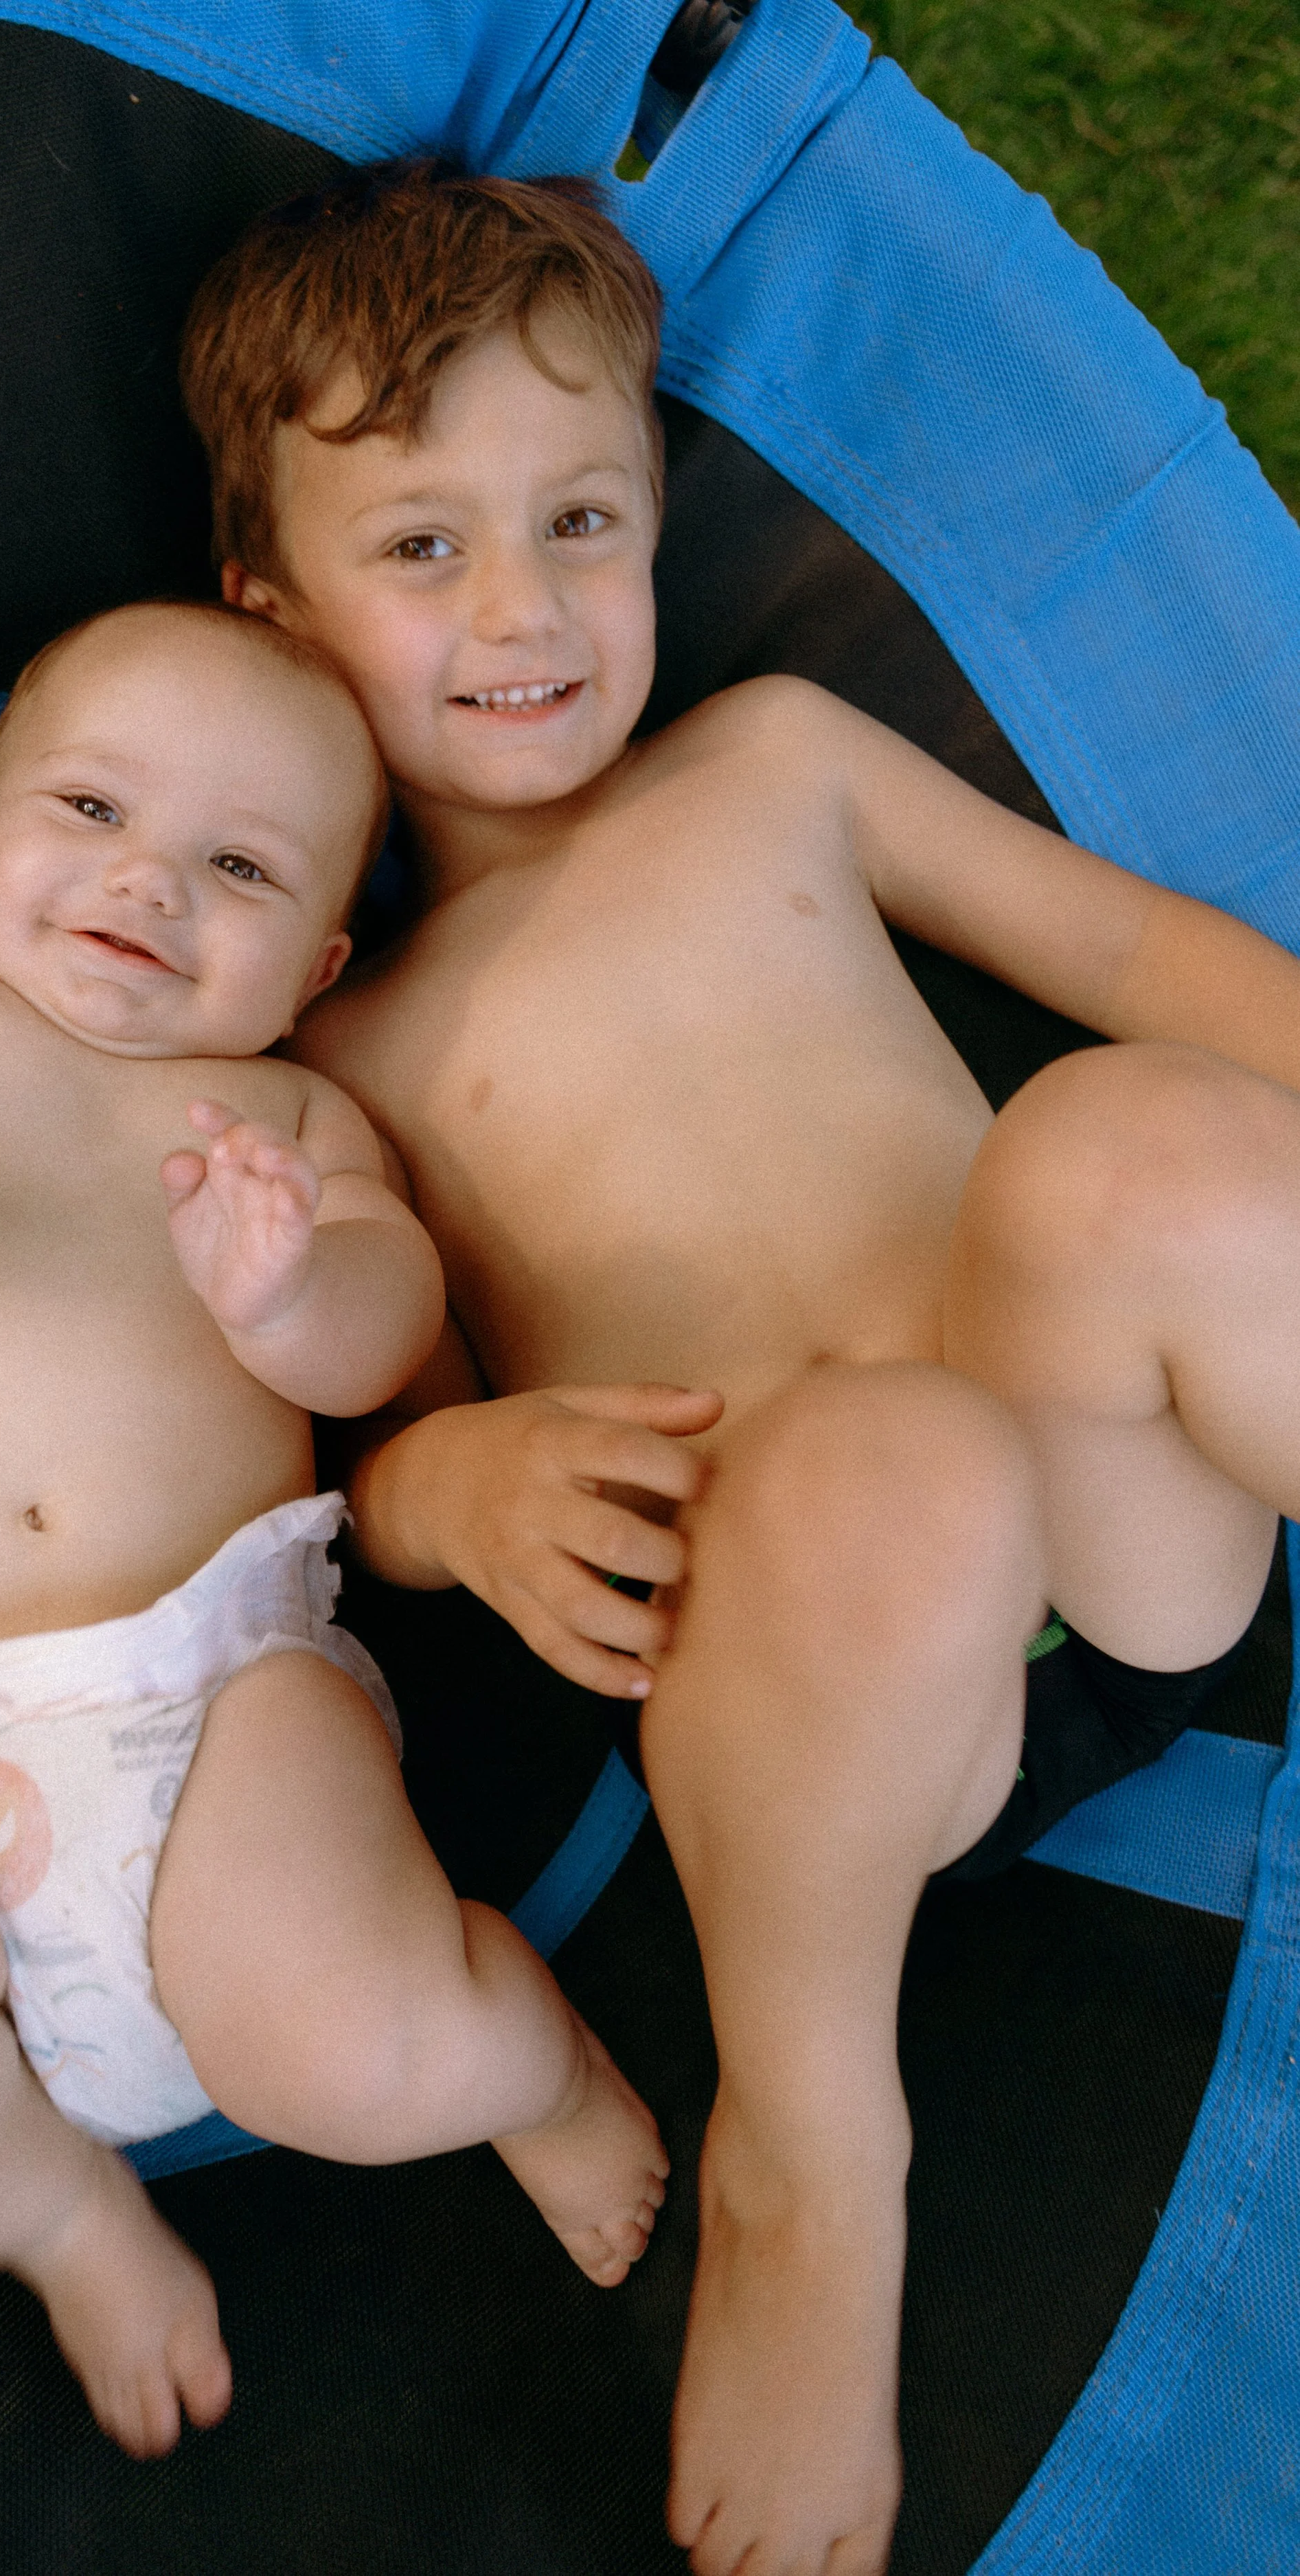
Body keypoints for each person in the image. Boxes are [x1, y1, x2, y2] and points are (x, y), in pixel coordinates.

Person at [179, 161, 1300, 2575]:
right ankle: (814, 2157)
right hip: (815, 1718)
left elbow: (1147, 962)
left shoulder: (772, 758)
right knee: (877, 1459)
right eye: (423, 551)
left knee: (1115, 1147)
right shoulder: (334, 1039)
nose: (527, 606)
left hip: (1118, 1538)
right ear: (266, 614)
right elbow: (350, 1447)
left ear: (662, 517)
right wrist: (459, 1483)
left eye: (580, 516)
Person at [0, 600, 668, 2462]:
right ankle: (61, 2216)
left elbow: (389, 1322)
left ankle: (524, 2062)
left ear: (318, 957)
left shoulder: (284, 1113)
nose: (145, 884)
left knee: (350, 2045)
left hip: (216, 1696)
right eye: (88, 808)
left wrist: (283, 1291)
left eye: (236, 866)